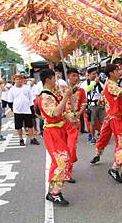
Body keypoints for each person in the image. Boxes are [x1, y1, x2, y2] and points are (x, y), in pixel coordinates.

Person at [90, 64, 122, 183]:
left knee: (116, 140)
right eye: (117, 70)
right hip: (115, 118)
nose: (119, 72)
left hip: (115, 117)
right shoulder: (111, 85)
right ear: (111, 73)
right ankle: (115, 168)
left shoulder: (111, 84)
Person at [38, 69, 73, 205]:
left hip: (58, 130)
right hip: (52, 132)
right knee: (62, 161)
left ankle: (53, 190)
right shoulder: (45, 97)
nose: (55, 81)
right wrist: (65, 97)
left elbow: (61, 113)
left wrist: (69, 117)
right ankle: (55, 193)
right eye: (54, 78)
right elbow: (55, 112)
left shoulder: (50, 94)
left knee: (59, 161)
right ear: (48, 79)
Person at [63, 68, 87, 183]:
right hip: (63, 121)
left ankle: (68, 171)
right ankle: (64, 167)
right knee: (63, 147)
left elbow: (83, 103)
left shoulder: (81, 90)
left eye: (77, 76)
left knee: (71, 146)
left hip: (75, 120)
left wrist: (78, 114)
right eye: (73, 75)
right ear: (67, 76)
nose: (76, 78)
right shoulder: (62, 89)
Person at [8, 74, 39, 146]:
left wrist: (32, 108)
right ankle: (21, 139)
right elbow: (10, 102)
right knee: (19, 126)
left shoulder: (27, 88)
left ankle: (32, 138)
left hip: (27, 110)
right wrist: (13, 109)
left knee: (30, 125)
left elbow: (30, 98)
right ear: (14, 80)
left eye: (20, 79)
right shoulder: (12, 90)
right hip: (17, 111)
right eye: (17, 79)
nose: (19, 80)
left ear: (23, 80)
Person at [81, 67, 105, 144]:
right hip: (91, 106)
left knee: (102, 122)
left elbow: (103, 91)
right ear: (89, 75)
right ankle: (93, 137)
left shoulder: (99, 83)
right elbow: (85, 91)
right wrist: (94, 83)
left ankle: (102, 137)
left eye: (96, 73)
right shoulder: (85, 83)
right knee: (92, 123)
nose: (95, 75)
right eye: (93, 74)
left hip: (100, 105)